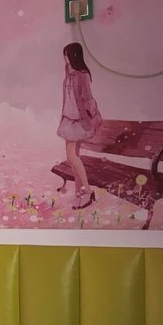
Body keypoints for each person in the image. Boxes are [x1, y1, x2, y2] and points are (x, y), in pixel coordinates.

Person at [56, 42, 101, 209]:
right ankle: (79, 193)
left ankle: (87, 192)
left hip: (78, 121)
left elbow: (87, 99)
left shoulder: (82, 75)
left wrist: (93, 116)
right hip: (68, 120)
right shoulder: (68, 71)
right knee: (73, 157)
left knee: (72, 157)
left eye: (67, 55)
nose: (65, 58)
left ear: (73, 56)